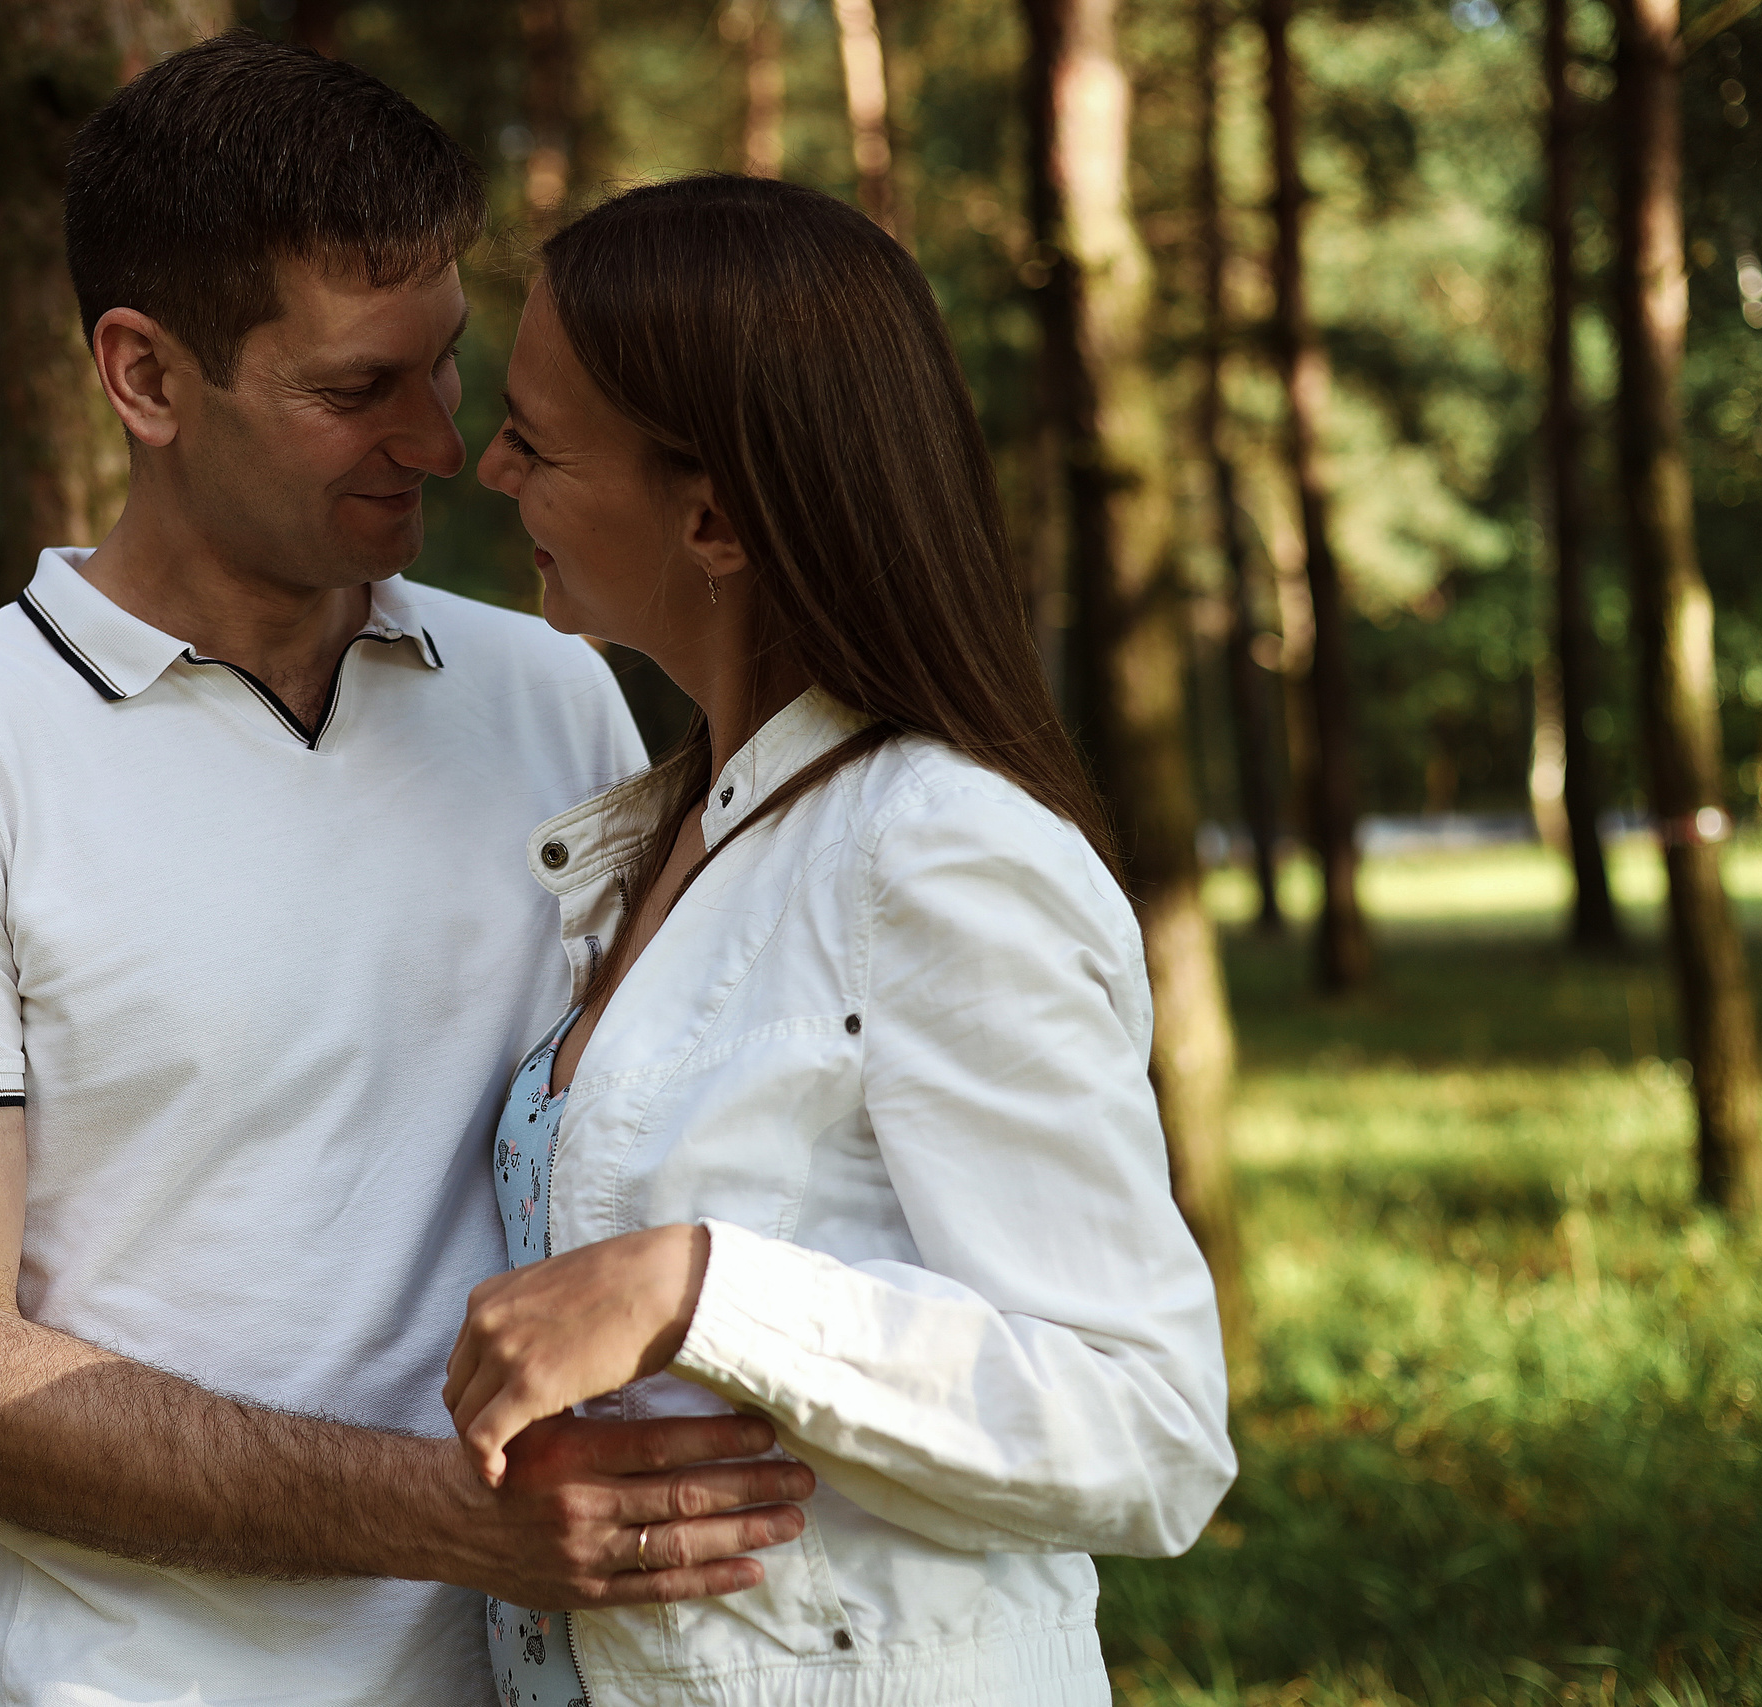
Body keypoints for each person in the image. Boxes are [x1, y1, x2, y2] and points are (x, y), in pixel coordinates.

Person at [0, 41, 814, 1707]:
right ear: (146, 378)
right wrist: (464, 1525)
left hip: (594, 1673)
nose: (443, 442)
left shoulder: (553, 686)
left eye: (446, 368)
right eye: (354, 391)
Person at [445, 174, 1240, 1706]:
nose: (488, 467)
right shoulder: (671, 834)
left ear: (717, 515)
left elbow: (1148, 1425)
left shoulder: (938, 851)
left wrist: (695, 1290)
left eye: (536, 442)